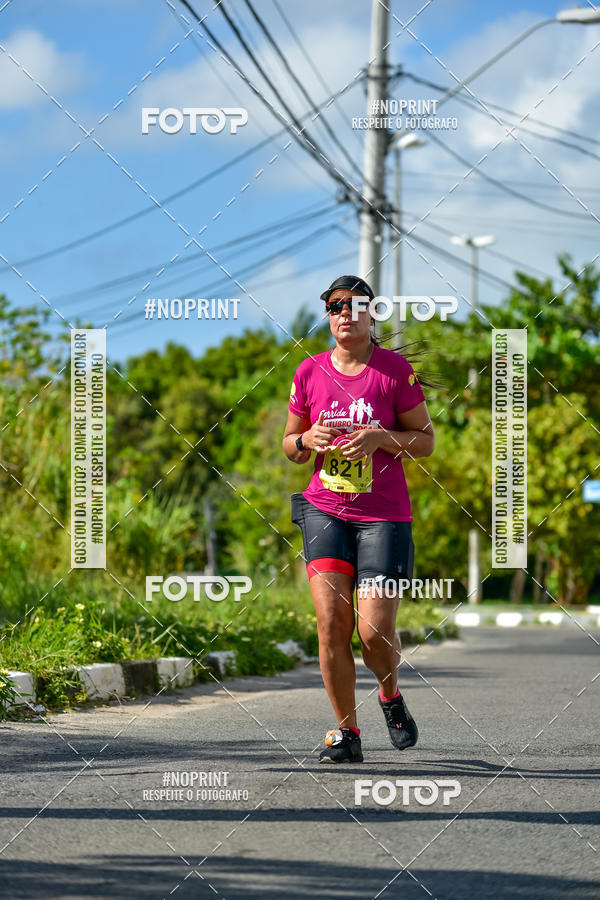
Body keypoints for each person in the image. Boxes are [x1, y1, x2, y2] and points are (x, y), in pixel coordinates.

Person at [282, 275, 435, 763]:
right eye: (334, 306)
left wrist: (380, 438)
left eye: (355, 305)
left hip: (383, 517)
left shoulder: (394, 372)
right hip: (324, 509)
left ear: (373, 313)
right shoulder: (309, 372)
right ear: (328, 316)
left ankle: (389, 695)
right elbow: (290, 445)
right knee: (330, 625)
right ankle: (347, 733)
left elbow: (426, 441)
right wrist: (307, 442)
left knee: (372, 634)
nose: (344, 313)